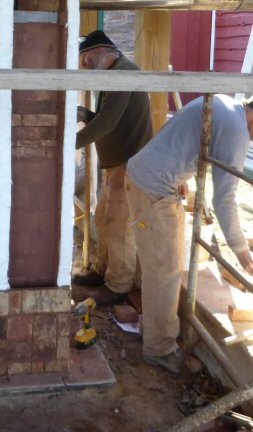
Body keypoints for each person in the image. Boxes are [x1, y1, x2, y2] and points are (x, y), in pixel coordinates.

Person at [126, 93, 253, 374]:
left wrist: (180, 175)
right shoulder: (237, 130)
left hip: (148, 175)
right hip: (154, 187)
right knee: (165, 271)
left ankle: (154, 330)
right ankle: (159, 349)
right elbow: (225, 199)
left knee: (162, 266)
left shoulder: (221, 103)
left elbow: (179, 137)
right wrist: (242, 251)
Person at [72, 30, 153, 306]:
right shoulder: (113, 75)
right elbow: (109, 118)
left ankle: (118, 285)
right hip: (116, 163)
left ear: (98, 51)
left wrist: (67, 143)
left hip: (128, 163)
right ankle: (102, 271)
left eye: (84, 59)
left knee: (118, 226)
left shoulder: (124, 73)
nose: (84, 66)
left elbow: (106, 124)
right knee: (103, 218)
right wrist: (86, 116)